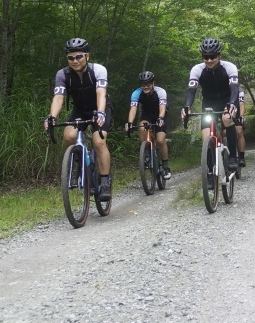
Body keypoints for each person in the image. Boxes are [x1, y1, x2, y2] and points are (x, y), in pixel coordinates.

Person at [44, 38, 113, 201]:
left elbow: (101, 93)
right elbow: (59, 97)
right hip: (80, 109)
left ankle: (104, 181)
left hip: (100, 107)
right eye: (71, 58)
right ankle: (76, 164)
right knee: (68, 136)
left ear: (87, 56)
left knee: (98, 142)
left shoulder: (98, 70)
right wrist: (52, 116)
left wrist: (101, 113)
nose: (75, 61)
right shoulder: (63, 74)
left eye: (79, 57)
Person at [181, 36, 241, 173]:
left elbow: (234, 88)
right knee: (206, 137)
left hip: (228, 99)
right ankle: (209, 172)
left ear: (219, 55)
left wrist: (232, 104)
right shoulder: (197, 69)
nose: (209, 60)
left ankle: (232, 157)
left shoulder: (230, 67)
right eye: (205, 57)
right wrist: (187, 107)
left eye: (212, 56)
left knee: (227, 118)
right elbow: (191, 91)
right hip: (209, 103)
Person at [126, 71, 171, 180]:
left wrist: (160, 118)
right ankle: (146, 154)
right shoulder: (136, 93)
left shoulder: (160, 92)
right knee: (142, 128)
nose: (145, 86)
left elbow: (162, 107)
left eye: (148, 84)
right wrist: (130, 122)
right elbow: (133, 109)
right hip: (147, 115)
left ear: (153, 83)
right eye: (143, 84)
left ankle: (165, 167)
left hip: (160, 114)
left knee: (160, 140)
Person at [235, 88, 247, 168]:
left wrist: (241, 116)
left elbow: (241, 104)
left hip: (236, 113)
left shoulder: (239, 90)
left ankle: (242, 157)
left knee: (239, 131)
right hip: (224, 112)